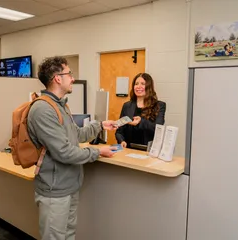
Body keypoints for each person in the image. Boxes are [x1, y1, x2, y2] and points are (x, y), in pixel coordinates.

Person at [27, 56, 117, 240]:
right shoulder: (43, 110)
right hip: (54, 190)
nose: (73, 78)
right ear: (57, 78)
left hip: (69, 186)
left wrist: (100, 126)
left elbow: (76, 135)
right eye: (69, 74)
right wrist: (98, 151)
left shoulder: (61, 106)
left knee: (68, 235)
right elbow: (64, 152)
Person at [115, 73, 166, 148]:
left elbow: (158, 128)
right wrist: (121, 141)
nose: (138, 86)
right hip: (129, 150)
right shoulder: (127, 106)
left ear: (149, 86)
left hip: (149, 151)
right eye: (136, 84)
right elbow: (119, 131)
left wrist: (141, 122)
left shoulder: (159, 105)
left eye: (143, 84)